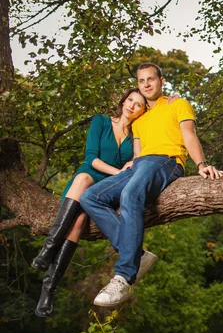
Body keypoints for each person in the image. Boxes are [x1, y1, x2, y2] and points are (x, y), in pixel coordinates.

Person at [80, 62, 223, 307]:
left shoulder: (177, 104)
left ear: (161, 81)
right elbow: (138, 154)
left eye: (151, 79)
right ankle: (137, 254)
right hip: (141, 166)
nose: (146, 84)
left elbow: (189, 135)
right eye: (141, 81)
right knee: (90, 197)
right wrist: (130, 166)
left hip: (166, 161)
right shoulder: (139, 119)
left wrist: (201, 164)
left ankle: (124, 276)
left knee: (129, 195)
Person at [31, 87, 159, 317]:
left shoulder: (138, 134)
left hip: (109, 188)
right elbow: (91, 159)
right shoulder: (101, 121)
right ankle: (47, 251)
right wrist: (119, 172)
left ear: (143, 110)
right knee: (81, 179)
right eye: (130, 100)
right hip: (92, 175)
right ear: (123, 101)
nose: (131, 106)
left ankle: (48, 289)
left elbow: (138, 161)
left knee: (79, 221)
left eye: (138, 104)